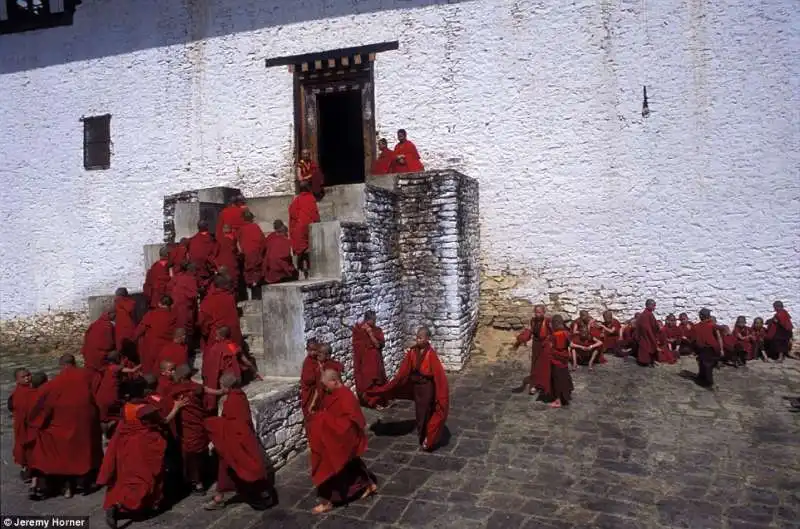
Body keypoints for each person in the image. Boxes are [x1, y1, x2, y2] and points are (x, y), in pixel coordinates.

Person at [98, 379, 187, 529]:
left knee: (128, 477)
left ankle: (139, 507)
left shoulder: (127, 407)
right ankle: (119, 506)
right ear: (142, 392)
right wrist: (176, 407)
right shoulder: (146, 409)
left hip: (126, 446)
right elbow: (164, 421)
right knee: (146, 479)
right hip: (144, 446)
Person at [26, 354, 103, 500]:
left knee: (44, 442)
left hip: (61, 427)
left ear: (61, 365)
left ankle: (43, 481)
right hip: (86, 424)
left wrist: (38, 422)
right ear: (75, 363)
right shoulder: (88, 375)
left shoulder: (54, 384)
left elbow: (42, 409)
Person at [365, 327, 449, 451]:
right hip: (416, 387)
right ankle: (423, 435)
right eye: (417, 337)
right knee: (420, 412)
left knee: (425, 411)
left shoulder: (431, 354)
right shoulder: (413, 352)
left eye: (421, 337)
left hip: (427, 387)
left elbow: (438, 375)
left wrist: (441, 393)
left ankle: (427, 437)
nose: (418, 339)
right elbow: (404, 372)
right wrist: (395, 384)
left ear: (427, 339)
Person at [306, 369, 378, 514]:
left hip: (344, 438)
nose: (325, 389)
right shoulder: (334, 393)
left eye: (326, 385)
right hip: (336, 435)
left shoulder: (346, 396)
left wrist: (325, 419)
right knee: (352, 465)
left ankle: (328, 502)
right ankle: (368, 485)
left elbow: (351, 423)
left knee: (329, 465)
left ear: (334, 381)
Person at [203, 372, 274, 511]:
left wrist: (213, 424)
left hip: (236, 441)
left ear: (226, 387)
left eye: (222, 386)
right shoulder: (240, 395)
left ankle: (220, 498)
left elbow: (232, 424)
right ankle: (260, 492)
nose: (221, 388)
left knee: (237, 467)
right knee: (239, 467)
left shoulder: (231, 401)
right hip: (245, 438)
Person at [169, 364, 212, 495]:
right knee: (199, 454)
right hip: (198, 426)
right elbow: (207, 398)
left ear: (181, 377)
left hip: (188, 430)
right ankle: (199, 478)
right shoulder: (197, 388)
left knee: (190, 457)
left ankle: (197, 483)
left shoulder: (176, 391)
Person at [202, 326, 258, 412]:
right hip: (236, 376)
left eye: (217, 336)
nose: (215, 337)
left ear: (222, 337)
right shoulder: (233, 345)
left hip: (225, 379)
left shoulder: (215, 348)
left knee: (225, 398)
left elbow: (213, 368)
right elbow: (246, 361)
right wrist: (255, 372)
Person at [513, 304, 552, 396]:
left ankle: (545, 386)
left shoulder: (548, 321)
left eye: (539, 312)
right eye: (536, 312)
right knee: (535, 365)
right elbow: (530, 331)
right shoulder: (533, 321)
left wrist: (550, 342)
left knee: (545, 366)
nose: (537, 314)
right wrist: (522, 338)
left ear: (543, 312)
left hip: (545, 346)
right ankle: (534, 385)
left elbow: (552, 333)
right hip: (536, 345)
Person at [134, 295, 177, 376]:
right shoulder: (173, 316)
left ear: (159, 304)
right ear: (171, 305)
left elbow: (141, 328)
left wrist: (134, 338)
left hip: (152, 345)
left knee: (150, 367)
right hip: (167, 346)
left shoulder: (152, 313)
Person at [352, 310, 388, 408]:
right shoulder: (358, 330)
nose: (375, 322)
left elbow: (378, 345)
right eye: (374, 320)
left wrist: (370, 333)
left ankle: (378, 401)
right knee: (368, 382)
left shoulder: (377, 330)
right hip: (365, 362)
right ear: (367, 320)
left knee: (377, 381)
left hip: (376, 361)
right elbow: (356, 347)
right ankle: (371, 402)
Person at [198, 276, 243, 351]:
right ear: (224, 285)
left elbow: (202, 320)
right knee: (232, 354)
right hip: (230, 336)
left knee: (215, 357)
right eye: (228, 285)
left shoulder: (208, 299)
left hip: (216, 336)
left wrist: (205, 332)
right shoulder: (230, 297)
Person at [300, 341, 344, 418]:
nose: (317, 354)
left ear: (327, 356)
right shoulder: (309, 362)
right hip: (313, 394)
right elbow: (309, 380)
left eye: (317, 351)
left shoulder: (328, 365)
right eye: (311, 350)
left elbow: (337, 383)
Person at [288, 186, 320, 279]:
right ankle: (309, 271)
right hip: (309, 228)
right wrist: (317, 223)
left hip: (299, 228)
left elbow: (292, 212)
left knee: (300, 251)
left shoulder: (296, 200)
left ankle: (301, 271)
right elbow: (315, 213)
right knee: (309, 250)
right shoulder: (311, 198)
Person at [9, 368, 35, 481]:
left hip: (31, 424)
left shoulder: (32, 389)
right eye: (23, 377)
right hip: (22, 425)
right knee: (23, 448)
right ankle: (26, 468)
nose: (27, 378)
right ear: (17, 380)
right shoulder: (17, 393)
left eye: (28, 375)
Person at [166, 262, 199, 346]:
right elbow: (192, 295)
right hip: (185, 307)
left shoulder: (177, 276)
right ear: (191, 270)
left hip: (174, 305)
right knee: (186, 327)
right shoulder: (191, 279)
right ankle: (187, 347)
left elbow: (168, 288)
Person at [691, 308, 723, 389]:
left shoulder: (701, 326)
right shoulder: (712, 325)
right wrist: (721, 349)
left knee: (707, 365)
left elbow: (693, 339)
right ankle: (702, 378)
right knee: (702, 363)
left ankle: (709, 383)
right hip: (706, 348)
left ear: (701, 316)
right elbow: (719, 336)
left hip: (707, 349)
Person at [81, 310, 116, 378]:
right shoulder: (108, 325)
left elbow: (87, 335)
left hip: (89, 351)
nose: (115, 316)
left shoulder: (95, 323)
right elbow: (109, 343)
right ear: (110, 314)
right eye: (115, 314)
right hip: (99, 353)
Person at [548, 315, 574, 408]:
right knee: (564, 375)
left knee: (557, 379)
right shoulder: (566, 333)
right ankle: (567, 394)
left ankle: (558, 400)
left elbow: (551, 347)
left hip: (556, 358)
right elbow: (570, 344)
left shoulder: (554, 335)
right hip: (564, 357)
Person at [238, 210, 266, 294]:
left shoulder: (241, 229)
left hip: (247, 255)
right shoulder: (256, 227)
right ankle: (255, 285)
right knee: (257, 271)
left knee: (249, 271)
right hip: (257, 254)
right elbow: (263, 240)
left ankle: (251, 286)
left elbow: (239, 243)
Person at [263, 220, 299, 284]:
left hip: (270, 273)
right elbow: (286, 259)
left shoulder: (270, 238)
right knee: (295, 273)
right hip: (281, 273)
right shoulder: (286, 241)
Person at [186, 220, 219, 289]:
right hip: (207, 270)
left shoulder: (192, 240)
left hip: (195, 270)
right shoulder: (212, 240)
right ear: (207, 227)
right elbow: (214, 256)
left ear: (198, 227)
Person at [113, 288, 138, 361]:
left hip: (121, 326)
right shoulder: (131, 302)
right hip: (130, 325)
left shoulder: (118, 301)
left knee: (121, 345)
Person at [635, 300, 659, 367]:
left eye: (655, 305)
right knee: (646, 348)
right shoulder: (645, 314)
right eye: (653, 305)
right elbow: (644, 326)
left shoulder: (649, 313)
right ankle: (646, 362)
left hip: (649, 334)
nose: (654, 307)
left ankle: (651, 361)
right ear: (648, 305)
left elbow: (654, 324)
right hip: (645, 335)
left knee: (650, 347)